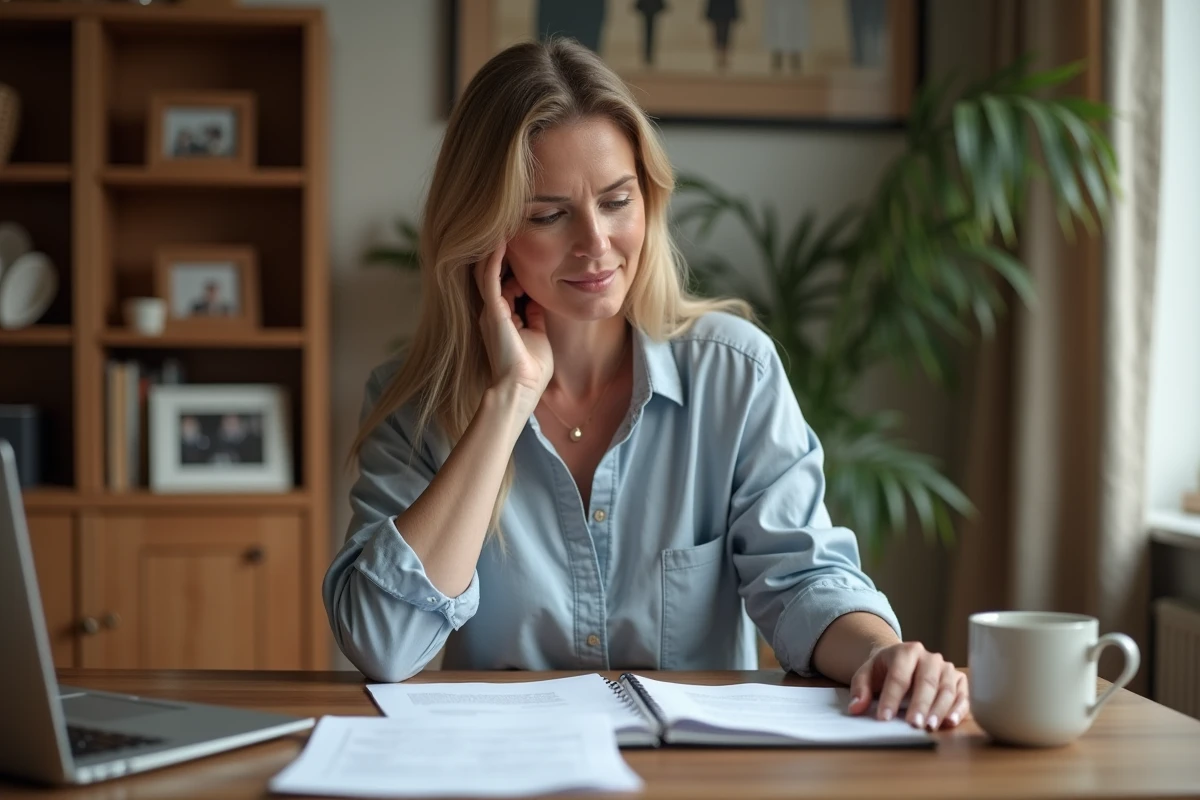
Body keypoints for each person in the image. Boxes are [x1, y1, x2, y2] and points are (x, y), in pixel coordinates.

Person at [324, 37, 969, 732]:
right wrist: (507, 401)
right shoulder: (416, 405)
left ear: (648, 200)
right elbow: (384, 646)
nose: (596, 243)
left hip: (689, 769)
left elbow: (803, 581)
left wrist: (881, 655)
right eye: (548, 214)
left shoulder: (735, 374)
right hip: (507, 763)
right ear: (486, 235)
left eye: (616, 201)